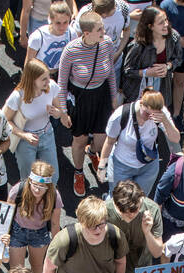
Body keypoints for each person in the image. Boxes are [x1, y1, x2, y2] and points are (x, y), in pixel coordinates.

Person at [57, 10, 118, 197]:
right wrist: (64, 111)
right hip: (80, 97)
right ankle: (79, 172)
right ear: (86, 33)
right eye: (99, 29)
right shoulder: (71, 50)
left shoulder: (106, 44)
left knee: (101, 139)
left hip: (101, 96)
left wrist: (114, 96)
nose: (104, 31)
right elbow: (62, 82)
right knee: (79, 139)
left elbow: (110, 72)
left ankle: (92, 151)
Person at [42, 197, 127, 273]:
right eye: (92, 226)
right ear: (82, 222)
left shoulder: (116, 236)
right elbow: (49, 268)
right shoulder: (64, 240)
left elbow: (121, 262)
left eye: (101, 224)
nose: (98, 230)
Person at [100, 91, 181, 195]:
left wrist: (165, 120)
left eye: (153, 115)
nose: (149, 117)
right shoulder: (121, 114)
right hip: (121, 166)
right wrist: (102, 166)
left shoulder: (160, 114)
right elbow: (110, 141)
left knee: (139, 202)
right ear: (141, 103)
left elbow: (175, 139)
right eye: (147, 113)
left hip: (148, 165)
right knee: (118, 200)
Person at [4, 60, 66, 185]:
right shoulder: (18, 96)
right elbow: (5, 120)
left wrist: (57, 113)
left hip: (46, 134)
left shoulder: (51, 87)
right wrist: (23, 135)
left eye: (48, 77)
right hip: (26, 140)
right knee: (28, 179)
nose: (48, 81)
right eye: (44, 79)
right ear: (32, 79)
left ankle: (48, 202)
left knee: (53, 177)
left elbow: (60, 110)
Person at [5, 163, 62, 273]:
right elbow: (7, 215)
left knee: (36, 267)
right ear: (30, 181)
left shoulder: (54, 196)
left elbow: (55, 224)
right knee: (16, 270)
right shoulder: (18, 190)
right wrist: (5, 237)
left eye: (42, 187)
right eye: (34, 185)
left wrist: (56, 246)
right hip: (17, 230)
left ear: (48, 186)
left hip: (40, 232)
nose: (37, 189)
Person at [120, 7, 181, 108]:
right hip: (138, 91)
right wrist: (146, 73)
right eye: (161, 22)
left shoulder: (173, 37)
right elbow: (127, 70)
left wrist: (168, 66)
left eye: (166, 20)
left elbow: (178, 59)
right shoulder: (138, 45)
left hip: (162, 88)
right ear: (151, 26)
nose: (166, 24)